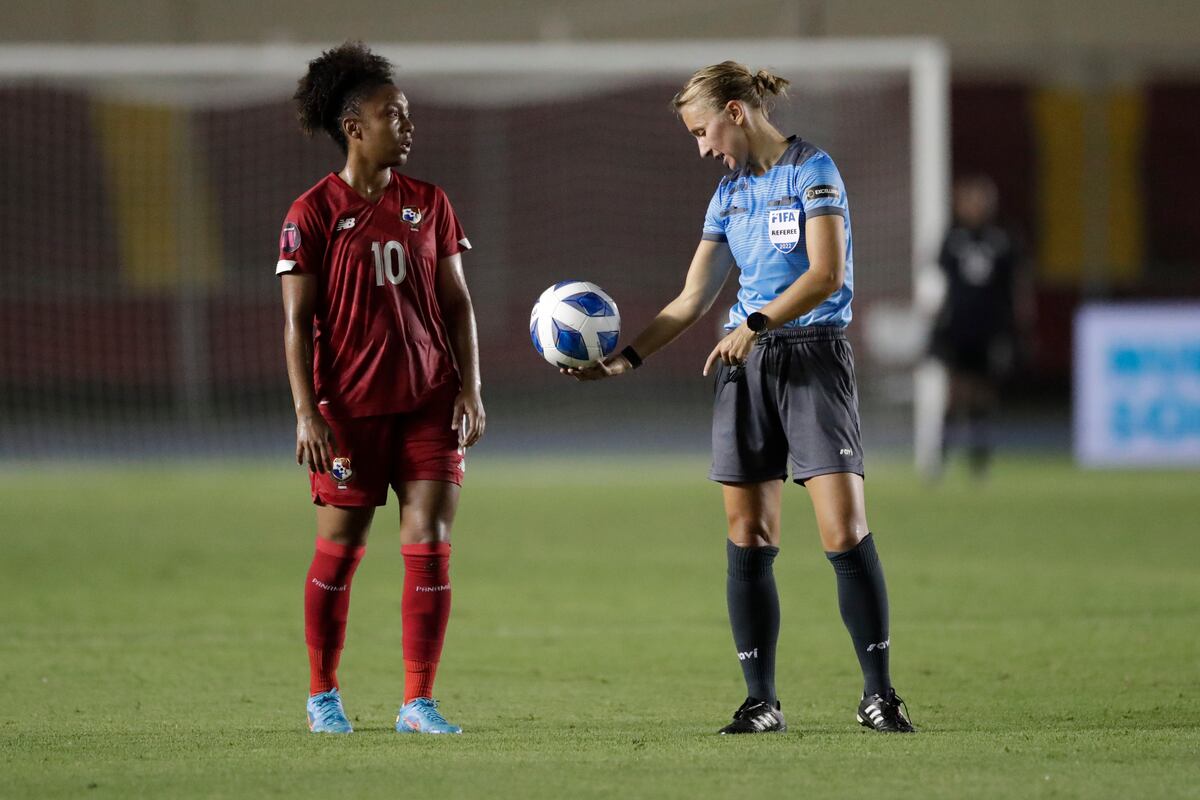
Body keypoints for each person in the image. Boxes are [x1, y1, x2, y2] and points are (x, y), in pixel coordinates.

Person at [566, 61, 913, 734]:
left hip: (811, 357)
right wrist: (625, 359)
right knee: (748, 534)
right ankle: (761, 701)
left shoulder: (813, 171)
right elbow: (692, 299)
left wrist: (755, 324)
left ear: (735, 111)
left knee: (844, 529)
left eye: (702, 132)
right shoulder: (728, 197)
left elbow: (825, 274)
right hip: (746, 370)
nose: (702, 148)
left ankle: (880, 694)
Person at [278, 41, 485, 735]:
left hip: (429, 403)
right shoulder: (310, 213)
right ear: (355, 127)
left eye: (407, 112)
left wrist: (470, 388)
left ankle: (418, 702)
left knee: (430, 539)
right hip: (349, 414)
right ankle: (322, 694)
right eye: (392, 114)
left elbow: (457, 304)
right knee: (339, 552)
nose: (408, 124)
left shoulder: (430, 202)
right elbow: (297, 322)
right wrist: (308, 415)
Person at [928, 175, 1025, 478]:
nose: (977, 206)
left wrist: (1016, 329)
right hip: (957, 328)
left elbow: (1016, 288)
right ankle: (939, 461)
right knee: (954, 394)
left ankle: (979, 464)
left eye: (982, 200)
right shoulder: (952, 240)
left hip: (990, 330)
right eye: (971, 200)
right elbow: (937, 285)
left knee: (983, 396)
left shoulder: (1003, 240)